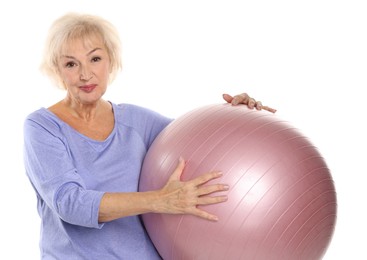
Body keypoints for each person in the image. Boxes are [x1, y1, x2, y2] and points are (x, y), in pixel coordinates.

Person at [23, 12, 276, 260]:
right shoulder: (43, 127)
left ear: (110, 61)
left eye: (95, 59)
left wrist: (237, 113)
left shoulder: (136, 121)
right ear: (58, 70)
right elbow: (69, 203)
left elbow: (200, 145)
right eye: (71, 64)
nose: (85, 74)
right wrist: (161, 201)